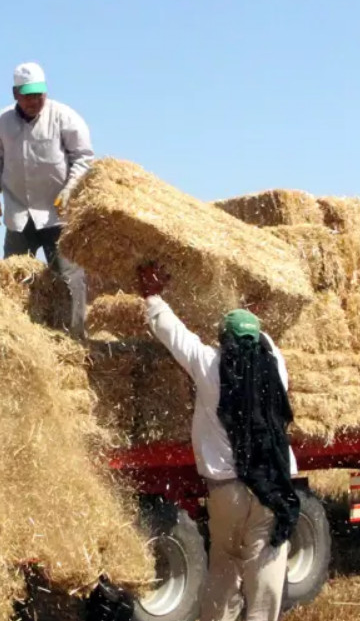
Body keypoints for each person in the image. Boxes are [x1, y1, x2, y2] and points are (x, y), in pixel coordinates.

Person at [137, 263, 300, 621]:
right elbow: (264, 343)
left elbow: (173, 334)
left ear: (224, 340)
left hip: (226, 490)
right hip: (272, 487)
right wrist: (252, 316)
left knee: (224, 567)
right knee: (265, 572)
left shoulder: (210, 366)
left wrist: (152, 294)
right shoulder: (278, 371)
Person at [0, 61, 94, 338]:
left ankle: (75, 336)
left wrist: (70, 189)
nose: (34, 101)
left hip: (57, 212)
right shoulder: (2, 121)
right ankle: (15, 335)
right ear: (15, 94)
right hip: (18, 211)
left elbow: (83, 157)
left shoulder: (64, 117)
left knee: (70, 279)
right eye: (27, 95)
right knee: (14, 277)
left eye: (39, 94)